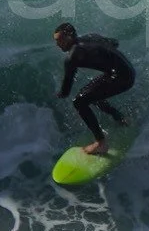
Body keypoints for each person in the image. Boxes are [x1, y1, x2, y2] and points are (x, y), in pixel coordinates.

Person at [53, 22, 135, 155]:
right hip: (127, 71)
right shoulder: (91, 36)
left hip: (121, 78)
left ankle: (101, 143)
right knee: (90, 95)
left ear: (69, 37)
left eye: (60, 40)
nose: (57, 45)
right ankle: (120, 119)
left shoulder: (72, 56)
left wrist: (60, 94)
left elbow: (66, 89)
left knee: (79, 101)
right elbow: (114, 43)